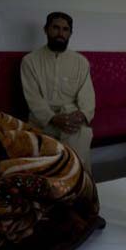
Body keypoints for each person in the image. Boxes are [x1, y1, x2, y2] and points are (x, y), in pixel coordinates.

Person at [21, 11, 95, 170]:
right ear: (46, 30)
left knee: (77, 162)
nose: (60, 33)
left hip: (72, 120)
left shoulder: (81, 62)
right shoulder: (29, 61)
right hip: (42, 120)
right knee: (45, 167)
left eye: (65, 29)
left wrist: (81, 115)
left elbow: (87, 96)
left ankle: (80, 190)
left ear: (70, 33)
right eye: (55, 28)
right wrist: (53, 118)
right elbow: (33, 98)